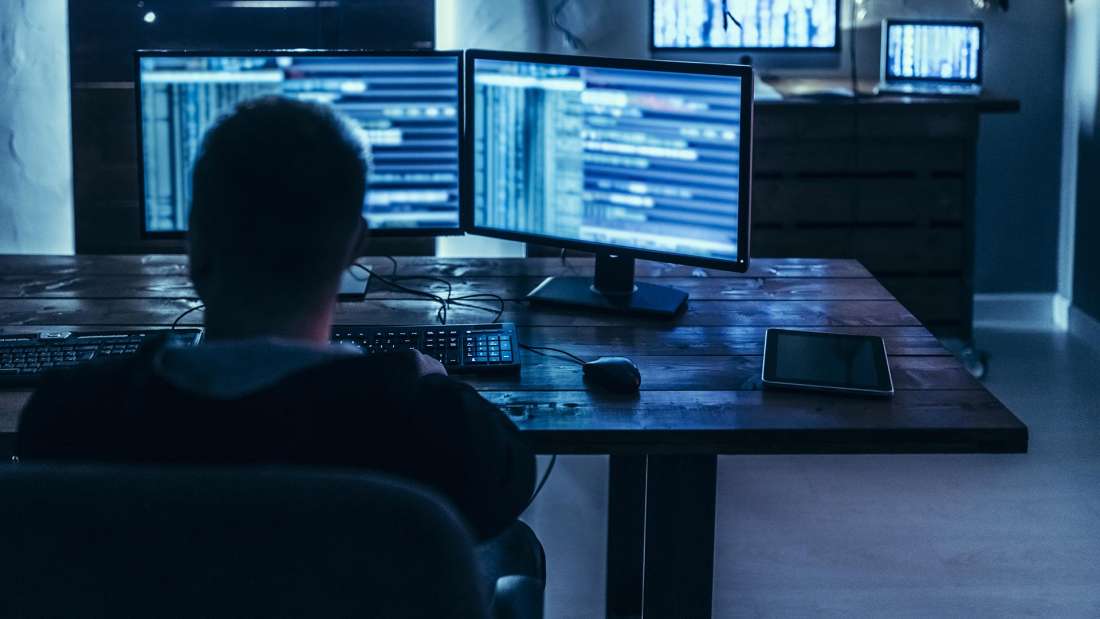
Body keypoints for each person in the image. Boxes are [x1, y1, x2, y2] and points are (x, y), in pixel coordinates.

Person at [16, 96, 544, 598]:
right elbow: (508, 485)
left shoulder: (70, 414)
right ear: (354, 246)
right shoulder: (436, 428)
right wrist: (431, 382)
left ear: (195, 241)